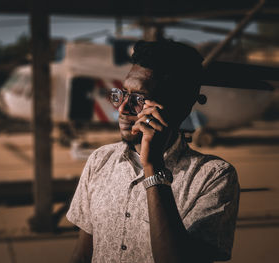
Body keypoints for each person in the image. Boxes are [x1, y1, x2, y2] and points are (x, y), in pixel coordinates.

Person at [66, 40, 240, 263]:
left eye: (139, 99)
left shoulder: (214, 177)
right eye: (122, 94)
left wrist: (154, 167)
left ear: (179, 106)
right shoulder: (99, 160)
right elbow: (82, 255)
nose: (122, 108)